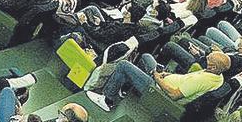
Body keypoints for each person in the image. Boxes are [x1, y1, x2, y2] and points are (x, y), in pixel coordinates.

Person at [89, 51, 230, 111]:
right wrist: (166, 75)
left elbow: (174, 95)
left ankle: (107, 99)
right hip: (164, 82)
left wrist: (157, 77)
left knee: (123, 65)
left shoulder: (201, 80)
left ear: (213, 66)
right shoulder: (217, 76)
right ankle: (124, 86)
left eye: (209, 59)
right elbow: (184, 79)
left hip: (159, 94)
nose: (206, 59)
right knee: (146, 57)